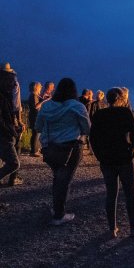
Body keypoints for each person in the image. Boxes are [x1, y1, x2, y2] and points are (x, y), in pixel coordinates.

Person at [90, 88, 134, 238]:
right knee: (130, 193)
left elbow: (93, 138)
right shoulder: (125, 113)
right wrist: (133, 146)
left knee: (111, 194)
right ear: (120, 99)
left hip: (107, 159)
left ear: (107, 99)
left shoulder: (99, 115)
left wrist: (99, 155)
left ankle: (111, 229)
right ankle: (133, 227)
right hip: (123, 156)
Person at [35, 78, 90, 225]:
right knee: (64, 181)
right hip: (71, 148)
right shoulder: (77, 107)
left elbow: (38, 126)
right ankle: (59, 215)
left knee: (58, 177)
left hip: (51, 148)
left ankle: (57, 209)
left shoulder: (46, 107)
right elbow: (87, 128)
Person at [0, 62, 24, 187]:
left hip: (6, 128)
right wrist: (16, 124)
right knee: (14, 162)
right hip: (5, 130)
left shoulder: (6, 91)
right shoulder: (11, 87)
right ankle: (13, 178)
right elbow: (17, 105)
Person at [28, 82, 49, 157]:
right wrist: (44, 101)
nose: (41, 87)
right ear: (36, 87)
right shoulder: (33, 95)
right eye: (40, 86)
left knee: (36, 133)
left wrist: (43, 99)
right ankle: (33, 151)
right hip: (34, 117)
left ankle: (35, 150)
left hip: (35, 116)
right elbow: (36, 107)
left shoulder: (35, 95)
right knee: (35, 133)